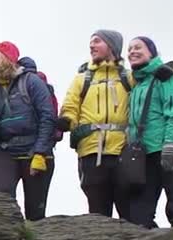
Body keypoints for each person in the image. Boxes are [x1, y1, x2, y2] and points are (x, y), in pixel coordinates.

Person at [0, 41, 57, 221]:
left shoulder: (31, 81)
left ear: (8, 58)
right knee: (3, 202)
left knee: (35, 211)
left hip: (34, 151)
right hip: (5, 150)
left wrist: (40, 153)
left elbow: (48, 116)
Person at [58, 30, 136, 218]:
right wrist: (67, 120)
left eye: (97, 41)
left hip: (123, 149)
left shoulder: (129, 77)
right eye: (91, 42)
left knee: (129, 207)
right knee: (97, 209)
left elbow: (147, 95)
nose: (92, 46)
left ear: (112, 46)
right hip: (91, 150)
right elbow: (71, 105)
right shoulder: (82, 78)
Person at [125, 36, 173, 228]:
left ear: (151, 52)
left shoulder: (165, 76)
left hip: (171, 149)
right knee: (139, 215)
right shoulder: (137, 85)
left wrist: (170, 145)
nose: (132, 52)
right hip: (145, 155)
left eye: (138, 47)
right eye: (129, 49)